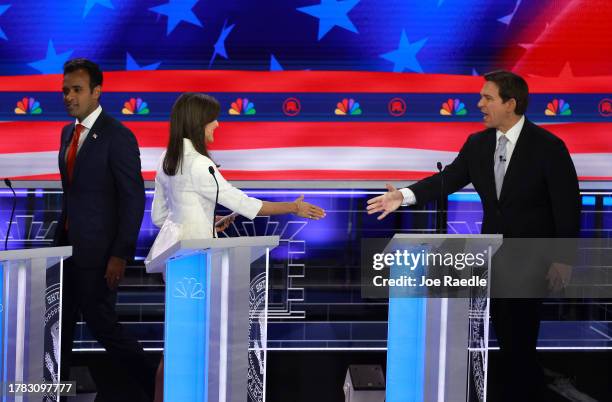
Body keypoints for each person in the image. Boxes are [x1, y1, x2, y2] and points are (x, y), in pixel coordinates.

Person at [366, 71, 580, 401]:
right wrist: (404, 196)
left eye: (487, 98)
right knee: (504, 333)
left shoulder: (548, 147)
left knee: (520, 336)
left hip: (532, 258)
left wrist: (563, 259)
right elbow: (446, 180)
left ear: (511, 104)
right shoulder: (477, 144)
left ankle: (527, 389)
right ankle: (516, 386)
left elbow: (567, 206)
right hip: (491, 257)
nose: (479, 104)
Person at [146, 92, 326, 401]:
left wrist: (207, 222)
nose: (216, 124)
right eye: (211, 118)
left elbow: (161, 216)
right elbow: (244, 204)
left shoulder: (167, 161)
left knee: (176, 342)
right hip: (200, 262)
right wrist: (291, 208)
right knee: (200, 341)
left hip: (176, 263)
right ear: (197, 122)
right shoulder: (201, 165)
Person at [54, 58, 156, 401]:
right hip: (65, 250)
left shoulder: (118, 136)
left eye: (77, 90)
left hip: (100, 255)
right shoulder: (68, 132)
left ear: (97, 92)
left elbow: (133, 199)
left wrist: (119, 254)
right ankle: (53, 390)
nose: (69, 96)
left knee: (103, 326)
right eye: (66, 89)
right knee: (58, 326)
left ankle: (154, 383)